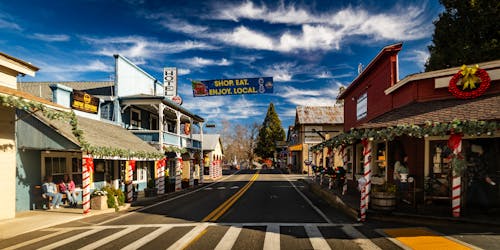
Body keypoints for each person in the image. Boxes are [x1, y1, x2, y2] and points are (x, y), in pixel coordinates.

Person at [467, 144, 496, 212]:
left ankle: (469, 206)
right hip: (475, 178)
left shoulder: (475, 158)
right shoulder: (475, 159)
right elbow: (478, 169)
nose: (482, 151)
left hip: (475, 178)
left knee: (474, 192)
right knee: (479, 192)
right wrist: (486, 176)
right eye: (481, 150)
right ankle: (485, 207)